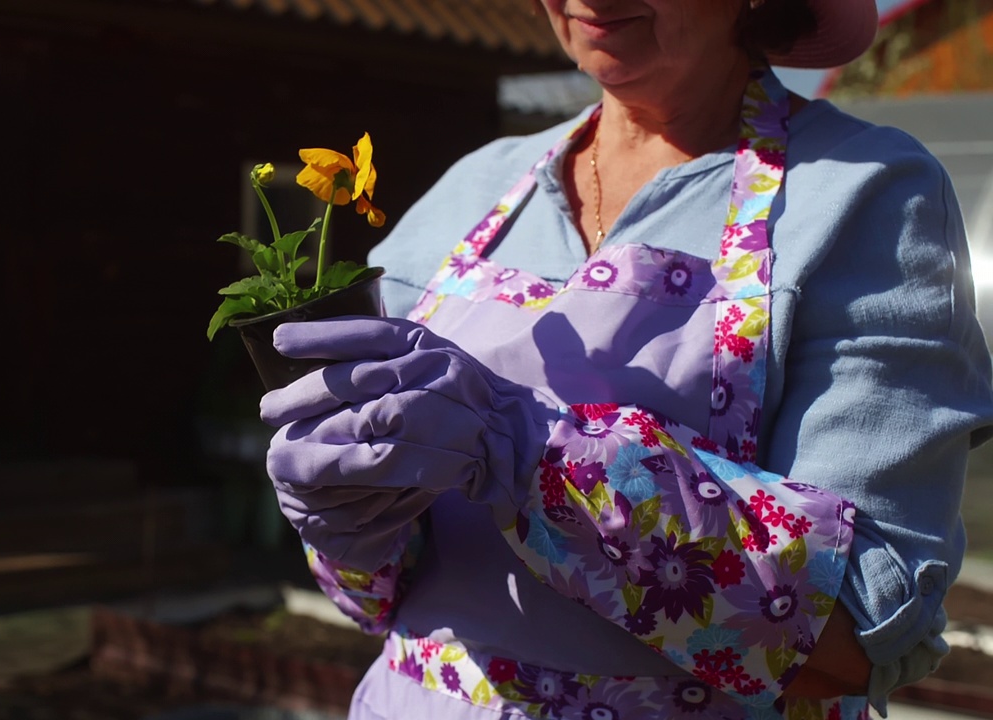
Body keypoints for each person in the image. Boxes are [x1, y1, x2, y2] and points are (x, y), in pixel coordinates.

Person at [259, 1, 993, 718]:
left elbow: (857, 638)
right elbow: (383, 600)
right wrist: (348, 524)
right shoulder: (466, 194)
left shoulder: (863, 193)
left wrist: (531, 454)